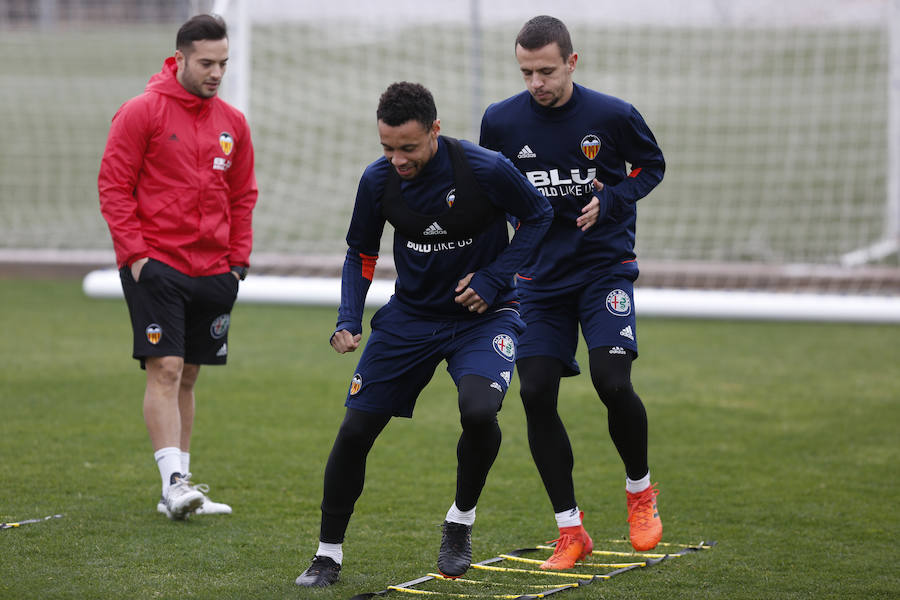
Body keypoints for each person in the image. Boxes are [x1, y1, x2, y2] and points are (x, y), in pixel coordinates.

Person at [294, 82, 553, 588]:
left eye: (408, 147)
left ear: (435, 130)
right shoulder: (377, 181)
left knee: (479, 410)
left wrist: (494, 278)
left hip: (484, 317)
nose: (397, 158)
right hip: (409, 319)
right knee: (354, 432)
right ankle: (327, 554)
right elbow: (360, 253)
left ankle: (459, 522)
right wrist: (348, 318)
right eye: (387, 147)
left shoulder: (485, 170)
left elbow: (539, 216)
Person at [479, 15, 666, 568]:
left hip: (604, 271)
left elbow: (651, 167)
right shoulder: (501, 121)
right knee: (534, 393)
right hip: (536, 283)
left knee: (612, 380)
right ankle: (570, 530)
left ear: (572, 62)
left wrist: (611, 199)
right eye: (526, 71)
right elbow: (494, 195)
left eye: (547, 71)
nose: (536, 82)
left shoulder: (612, 115)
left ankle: (640, 491)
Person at [98, 14, 258, 520]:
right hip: (157, 264)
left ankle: (182, 488)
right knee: (164, 368)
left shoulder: (233, 123)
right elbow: (113, 185)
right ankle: (172, 484)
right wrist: (136, 256)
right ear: (181, 58)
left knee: (188, 375)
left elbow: (242, 195)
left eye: (223, 63)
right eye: (207, 63)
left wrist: (237, 263)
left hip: (215, 269)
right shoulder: (141, 112)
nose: (216, 72)